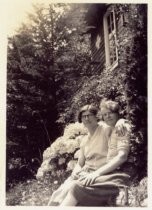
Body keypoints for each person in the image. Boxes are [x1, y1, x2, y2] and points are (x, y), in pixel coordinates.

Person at [48, 100, 131, 206]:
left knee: (73, 188)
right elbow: (80, 162)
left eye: (90, 115)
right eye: (84, 116)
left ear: (97, 117)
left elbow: (120, 151)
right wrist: (76, 171)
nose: (87, 119)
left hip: (101, 171)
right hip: (86, 172)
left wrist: (121, 122)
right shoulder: (84, 140)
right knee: (58, 194)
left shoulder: (109, 128)